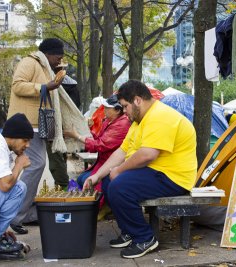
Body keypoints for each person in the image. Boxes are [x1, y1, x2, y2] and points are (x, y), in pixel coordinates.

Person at [83, 80, 197, 259]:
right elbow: (122, 151)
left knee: (119, 185)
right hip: (156, 172)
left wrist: (119, 171)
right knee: (107, 181)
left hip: (174, 177)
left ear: (137, 100)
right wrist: (97, 175)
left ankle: (145, 238)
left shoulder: (160, 116)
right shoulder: (138, 120)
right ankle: (129, 231)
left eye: (125, 106)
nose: (124, 111)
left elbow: (147, 154)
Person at [7, 38, 65, 235]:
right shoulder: (29, 62)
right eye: (58, 55)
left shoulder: (46, 67)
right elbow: (17, 85)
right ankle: (15, 214)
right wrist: (43, 87)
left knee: (37, 164)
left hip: (36, 126)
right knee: (37, 164)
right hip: (26, 125)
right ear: (48, 53)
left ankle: (27, 213)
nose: (60, 59)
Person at [64, 94, 130, 198]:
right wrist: (88, 129)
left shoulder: (123, 124)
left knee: (87, 181)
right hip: (103, 161)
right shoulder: (108, 121)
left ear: (117, 110)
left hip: (111, 163)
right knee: (81, 179)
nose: (104, 110)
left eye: (108, 108)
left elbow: (100, 145)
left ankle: (102, 205)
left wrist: (77, 136)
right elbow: (100, 139)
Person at [0, 113, 33, 254]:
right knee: (18, 188)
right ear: (13, 136)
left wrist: (3, 228)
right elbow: (5, 186)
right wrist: (19, 164)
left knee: (16, 187)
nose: (28, 145)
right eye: (25, 140)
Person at [46, 70, 81, 189]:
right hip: (68, 123)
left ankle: (63, 186)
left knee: (55, 155)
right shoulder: (73, 86)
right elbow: (77, 104)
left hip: (53, 123)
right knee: (62, 155)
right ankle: (62, 184)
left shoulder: (54, 84)